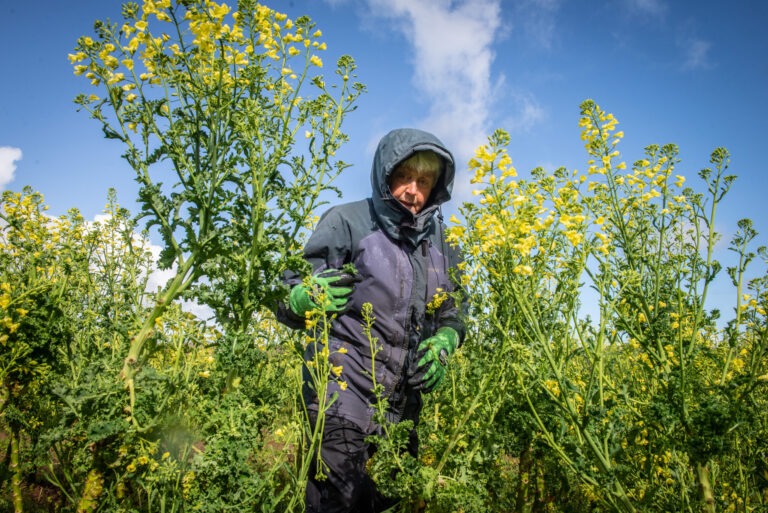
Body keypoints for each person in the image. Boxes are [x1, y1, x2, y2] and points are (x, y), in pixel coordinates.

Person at [277, 128, 466, 513]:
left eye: (424, 181)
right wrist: (302, 298)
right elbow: (287, 292)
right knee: (341, 502)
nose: (413, 191)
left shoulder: (446, 245)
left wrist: (446, 341)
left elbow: (455, 314)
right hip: (340, 394)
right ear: (385, 175)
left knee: (392, 497)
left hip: (402, 405)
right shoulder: (347, 221)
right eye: (403, 177)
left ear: (435, 188)